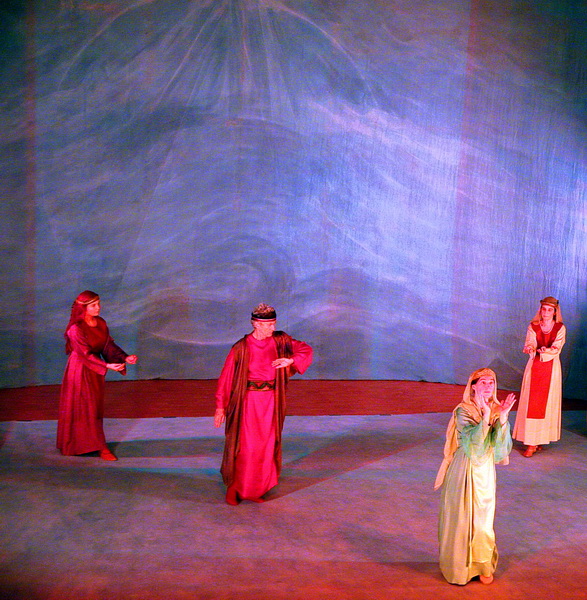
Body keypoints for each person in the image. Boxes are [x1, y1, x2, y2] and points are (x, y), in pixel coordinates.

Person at [214, 303, 312, 505]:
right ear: (256, 324)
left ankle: (255, 489)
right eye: (268, 325)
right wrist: (220, 407)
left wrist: (291, 361)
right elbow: (226, 379)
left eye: (274, 324)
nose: (272, 328)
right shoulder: (241, 347)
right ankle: (236, 489)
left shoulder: (280, 340)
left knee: (265, 447)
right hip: (248, 403)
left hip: (271, 401)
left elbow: (305, 349)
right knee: (246, 447)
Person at [434, 368, 515, 586]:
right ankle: (459, 567)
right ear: (473, 386)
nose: (488, 386)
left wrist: (503, 417)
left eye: (492, 382)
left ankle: (482, 565)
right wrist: (486, 416)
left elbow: (500, 447)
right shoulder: (463, 410)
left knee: (483, 519)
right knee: (461, 517)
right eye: (484, 382)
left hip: (484, 471)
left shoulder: (497, 408)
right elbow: (474, 445)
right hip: (465, 467)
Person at [56, 290, 137, 460]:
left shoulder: (100, 323)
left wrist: (125, 357)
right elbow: (85, 354)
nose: (98, 307)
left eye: (98, 304)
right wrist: (107, 365)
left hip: (95, 370)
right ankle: (96, 447)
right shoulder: (75, 329)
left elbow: (108, 346)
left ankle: (91, 443)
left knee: (94, 408)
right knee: (84, 407)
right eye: (93, 305)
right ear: (83, 308)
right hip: (80, 370)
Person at [513, 296, 566, 457]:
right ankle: (531, 441)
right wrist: (530, 348)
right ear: (540, 310)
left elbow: (557, 346)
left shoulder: (560, 328)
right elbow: (530, 342)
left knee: (547, 404)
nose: (546, 312)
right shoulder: (533, 326)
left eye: (550, 310)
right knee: (532, 403)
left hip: (551, 368)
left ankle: (537, 441)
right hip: (534, 366)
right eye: (544, 309)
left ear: (555, 312)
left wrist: (546, 350)